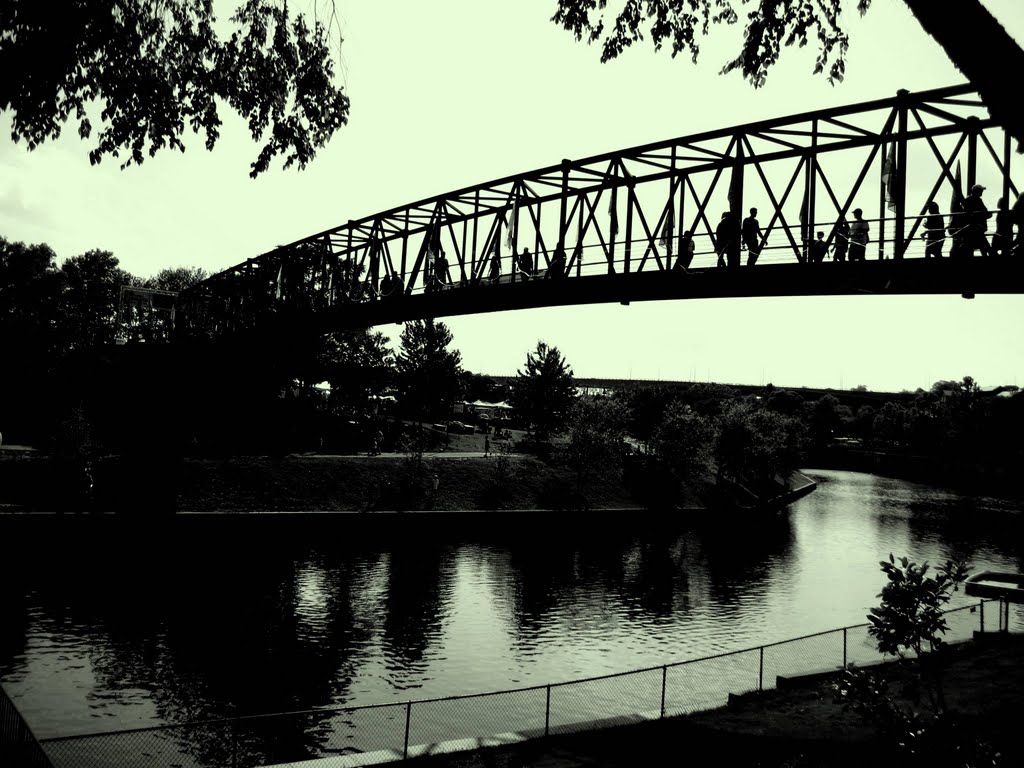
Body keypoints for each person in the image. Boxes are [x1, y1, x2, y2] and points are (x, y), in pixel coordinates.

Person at [961, 183, 992, 257]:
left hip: (971, 229)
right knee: (985, 248)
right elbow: (984, 212)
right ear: (977, 192)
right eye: (981, 191)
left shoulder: (968, 200)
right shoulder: (978, 200)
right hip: (977, 229)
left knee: (971, 248)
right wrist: (988, 215)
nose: (982, 192)